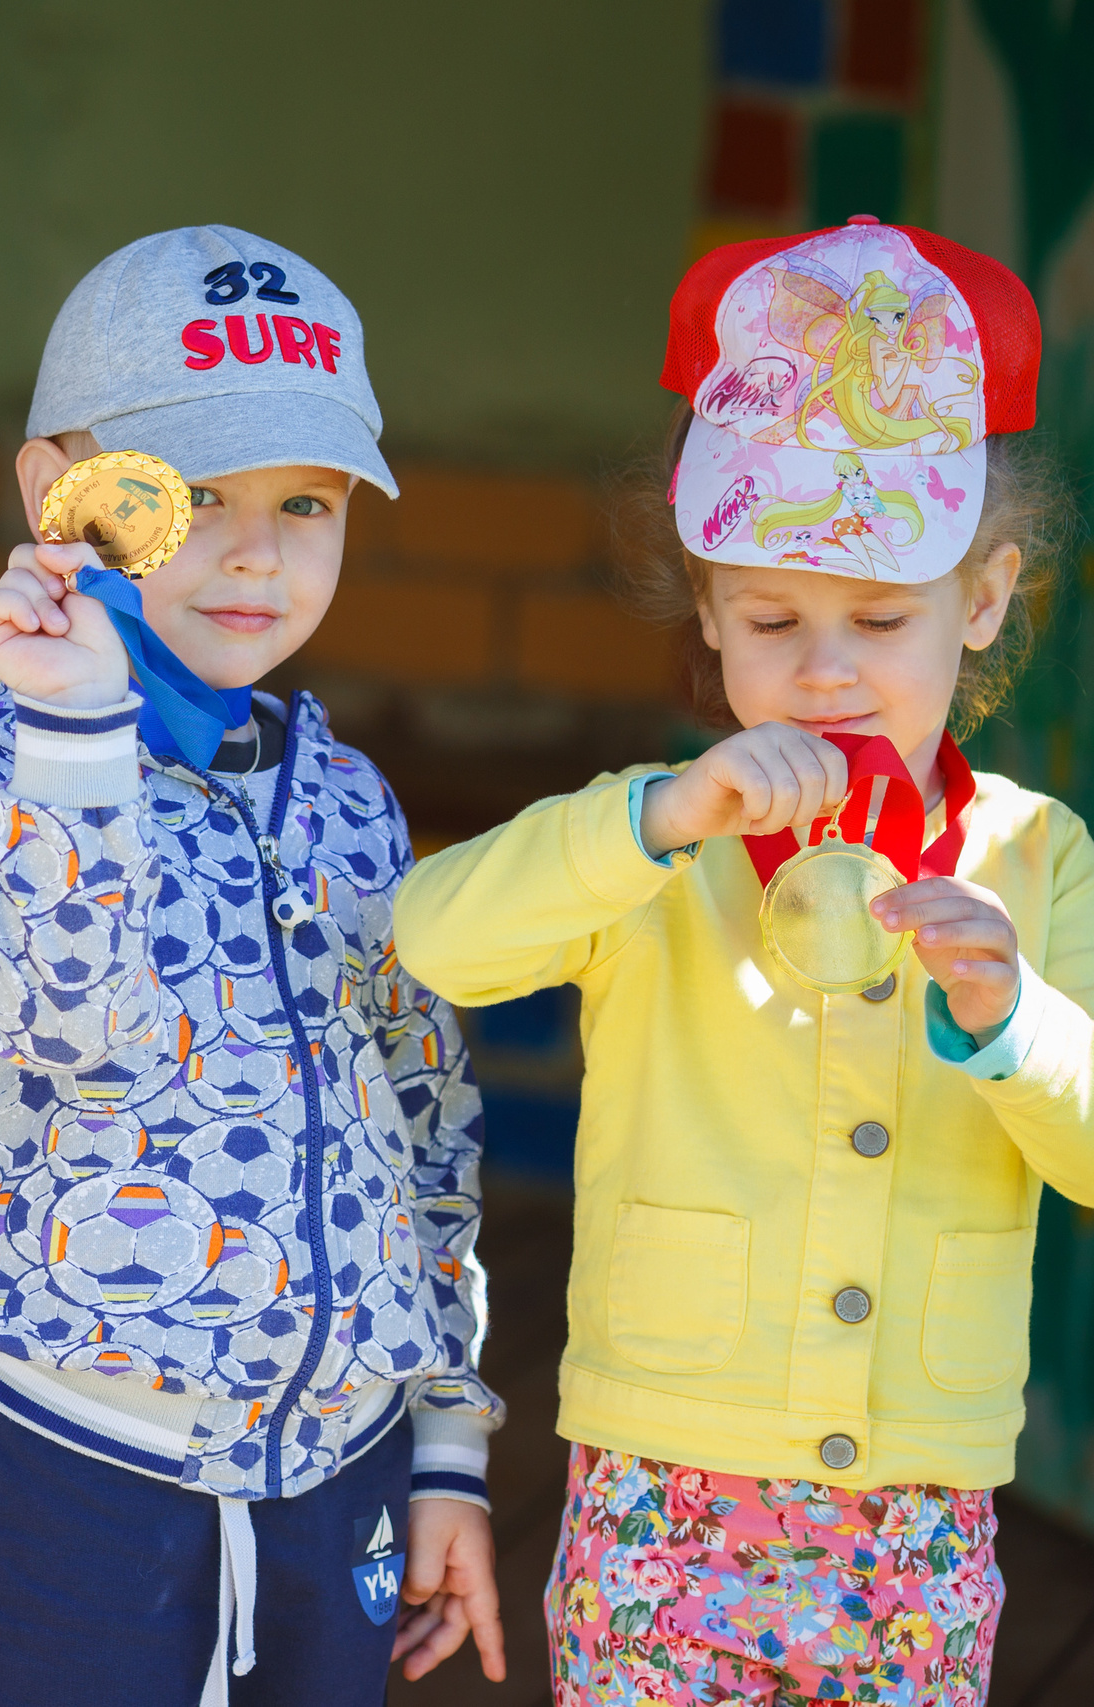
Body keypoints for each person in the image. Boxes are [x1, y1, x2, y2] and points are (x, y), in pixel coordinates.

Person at [393, 216, 1079, 1706]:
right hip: (663, 1487)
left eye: (882, 618)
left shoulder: (1038, 857)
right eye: (772, 618)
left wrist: (1011, 1015)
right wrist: (655, 815)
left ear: (984, 600)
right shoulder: (660, 839)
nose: (826, 667)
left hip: (921, 1504)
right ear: (706, 612)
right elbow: (433, 937)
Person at [0, 226, 505, 1706]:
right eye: (195, 498)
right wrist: (82, 736)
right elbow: (48, 1018)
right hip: (77, 1461)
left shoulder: (348, 793)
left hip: (339, 1471)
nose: (257, 551)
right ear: (59, 496)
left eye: (308, 501)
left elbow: (425, 1117)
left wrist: (447, 1448)